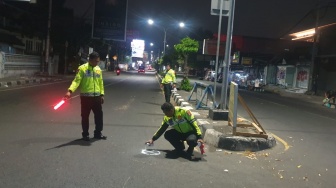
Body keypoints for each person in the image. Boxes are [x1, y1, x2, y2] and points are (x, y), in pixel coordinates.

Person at [65, 51, 106, 141]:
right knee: (85, 116)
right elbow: (76, 81)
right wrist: (70, 91)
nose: (97, 63)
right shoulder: (82, 68)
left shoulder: (98, 69)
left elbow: (100, 83)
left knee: (99, 116)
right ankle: (85, 134)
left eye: (98, 61)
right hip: (86, 98)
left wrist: (102, 94)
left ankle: (98, 133)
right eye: (96, 61)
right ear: (90, 60)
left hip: (97, 98)